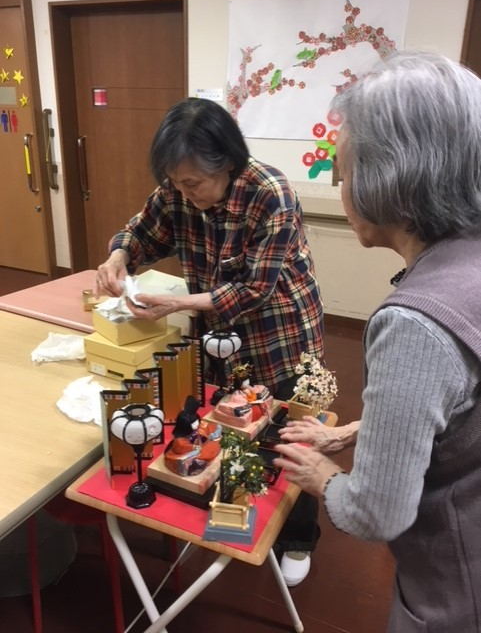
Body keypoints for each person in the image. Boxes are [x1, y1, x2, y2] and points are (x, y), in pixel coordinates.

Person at [273, 50, 481, 631]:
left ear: (392, 174)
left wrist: (321, 474)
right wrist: (355, 432)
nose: (341, 188)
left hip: (456, 590)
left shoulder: (415, 324)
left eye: (344, 173)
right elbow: (458, 408)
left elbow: (376, 513)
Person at [93, 97, 325, 586]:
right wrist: (118, 257)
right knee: (222, 420)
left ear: (227, 162)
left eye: (193, 183)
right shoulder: (178, 188)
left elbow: (255, 289)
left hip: (278, 331)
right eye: (176, 182)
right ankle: (226, 501)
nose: (183, 192)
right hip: (217, 331)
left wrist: (177, 304)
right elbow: (141, 232)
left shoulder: (270, 193)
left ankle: (298, 537)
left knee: (286, 431)